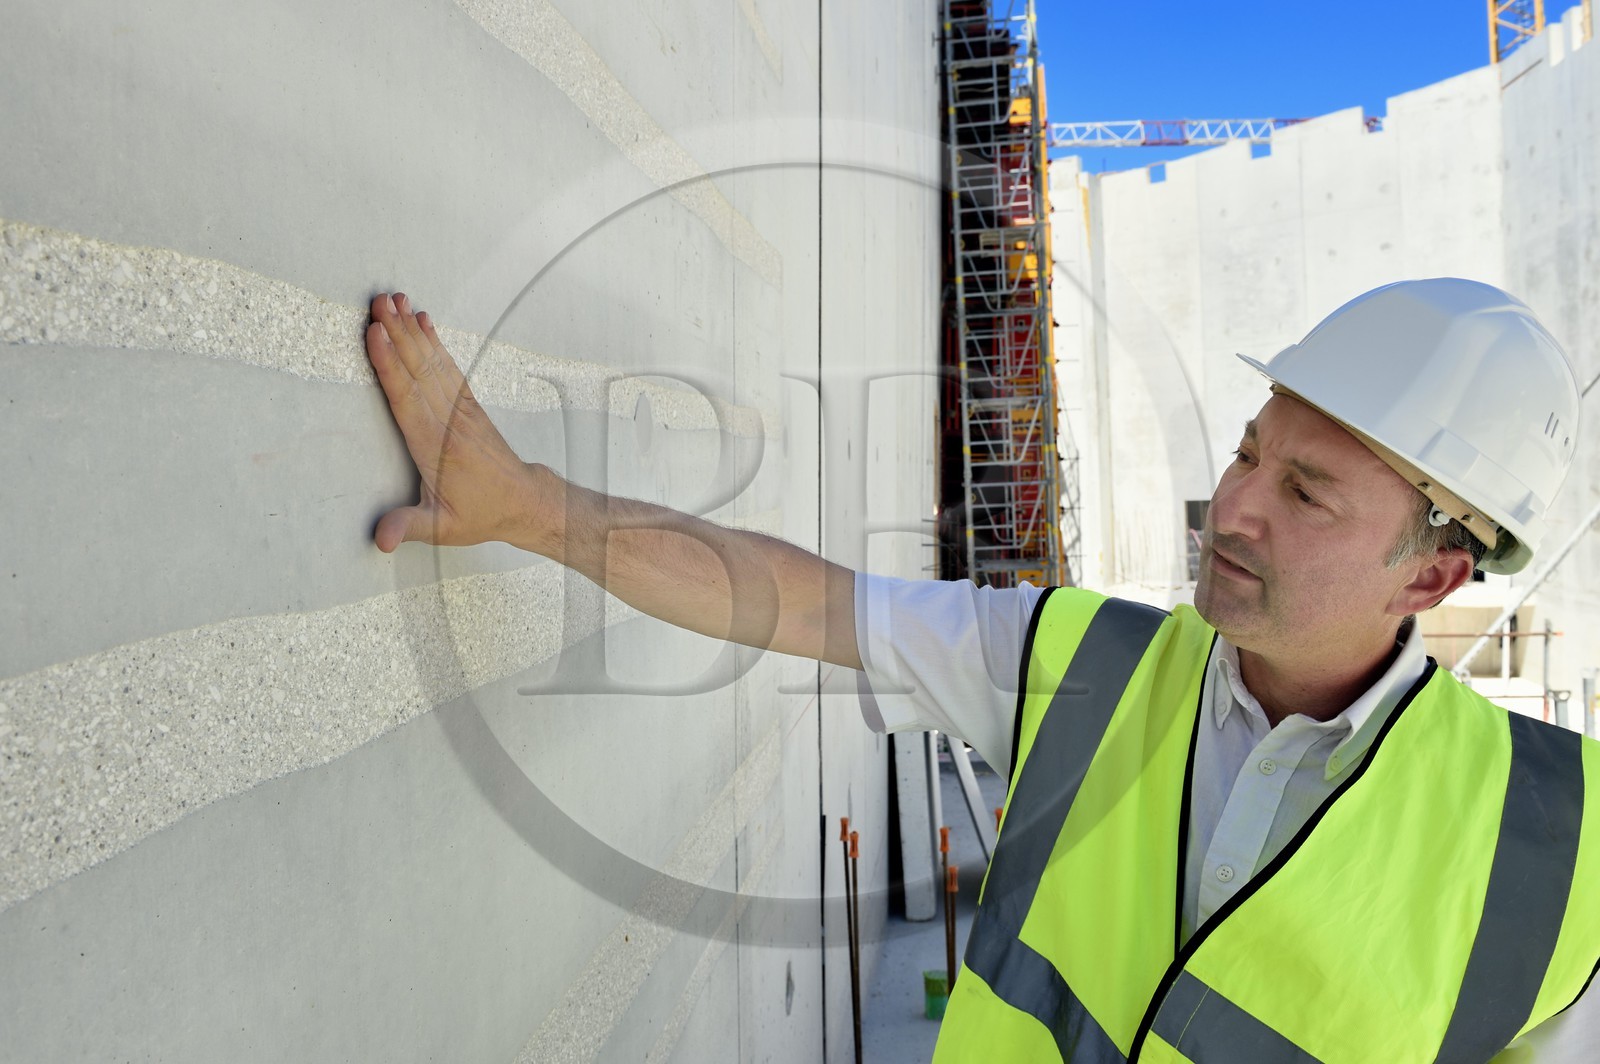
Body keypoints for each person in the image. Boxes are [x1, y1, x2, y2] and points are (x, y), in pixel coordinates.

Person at [362, 279, 1599, 1061]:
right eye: (1245, 454)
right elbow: (800, 598)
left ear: (1430, 576)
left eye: (1305, 490)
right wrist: (531, 507)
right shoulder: (1082, 663)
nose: (1231, 508)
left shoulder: (1565, 852)